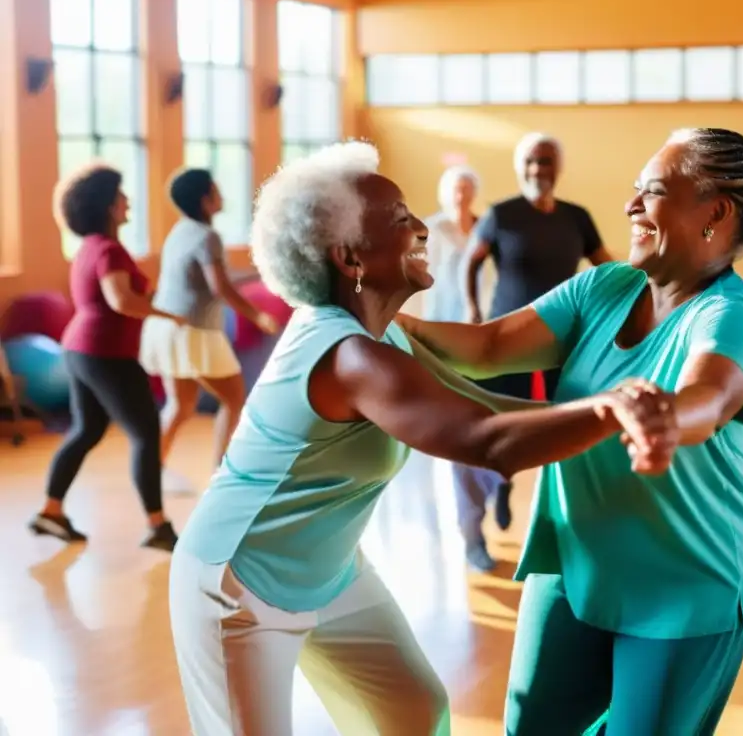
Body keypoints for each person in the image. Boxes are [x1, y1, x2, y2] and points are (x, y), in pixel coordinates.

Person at [167, 141, 670, 736]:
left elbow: (489, 406)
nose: (422, 230)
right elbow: (489, 441)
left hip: (330, 571)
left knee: (412, 714)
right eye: (401, 220)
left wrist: (608, 414)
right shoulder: (350, 355)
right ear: (351, 258)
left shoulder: (383, 336)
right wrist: (611, 411)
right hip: (237, 585)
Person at [400, 128, 743, 735]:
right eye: (635, 192)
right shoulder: (605, 287)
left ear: (715, 213)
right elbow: (486, 346)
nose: (631, 206)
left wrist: (666, 418)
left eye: (652, 192)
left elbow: (712, 394)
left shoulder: (732, 316)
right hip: (576, 564)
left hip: (685, 587)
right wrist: (366, 318)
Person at [29, 163, 183, 551]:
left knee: (87, 430)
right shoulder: (110, 249)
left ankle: (51, 511)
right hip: (106, 353)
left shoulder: (90, 247)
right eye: (121, 195)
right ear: (108, 206)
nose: (127, 200)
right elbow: (121, 301)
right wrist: (168, 313)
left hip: (80, 348)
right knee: (146, 434)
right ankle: (159, 525)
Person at [464, 132, 615, 525]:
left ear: (558, 168)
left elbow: (606, 267)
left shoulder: (576, 217)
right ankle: (502, 486)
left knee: (563, 420)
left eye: (545, 161)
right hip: (507, 334)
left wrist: (636, 290)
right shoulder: (502, 215)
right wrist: (472, 307)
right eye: (531, 161)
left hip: (562, 339)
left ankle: (560, 506)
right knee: (502, 421)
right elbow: (472, 261)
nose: (538, 169)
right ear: (520, 167)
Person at [140, 168, 279, 482]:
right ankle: (222, 472)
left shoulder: (182, 230)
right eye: (217, 191)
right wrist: (257, 315)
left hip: (168, 328)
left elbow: (216, 281)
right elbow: (220, 288)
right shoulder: (208, 236)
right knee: (233, 400)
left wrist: (261, 273)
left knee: (180, 405)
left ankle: (152, 471)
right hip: (195, 332)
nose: (222, 196)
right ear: (205, 200)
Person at [424, 165, 507, 572]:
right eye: (454, 188)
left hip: (490, 337)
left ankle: (500, 484)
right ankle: (472, 536)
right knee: (460, 438)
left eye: (466, 188)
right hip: (444, 341)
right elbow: (420, 283)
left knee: (500, 422)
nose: (460, 195)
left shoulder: (489, 225)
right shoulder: (430, 229)